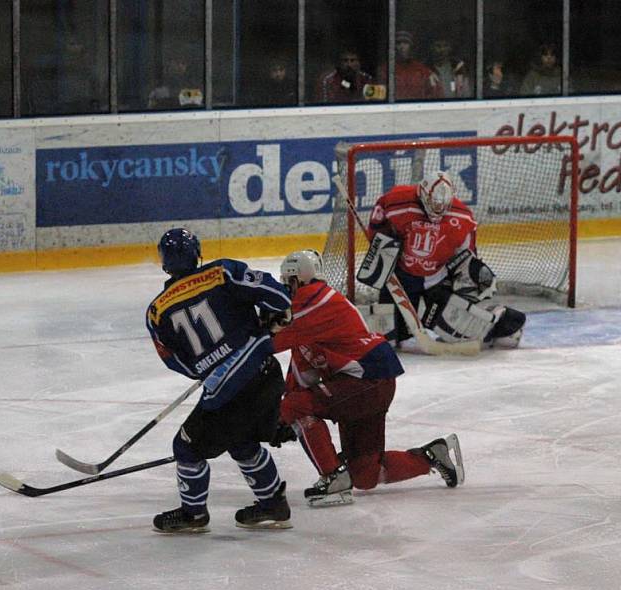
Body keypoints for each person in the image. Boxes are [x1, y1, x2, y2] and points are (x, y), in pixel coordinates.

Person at [270, 249, 464, 506]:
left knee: (293, 405)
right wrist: (285, 418)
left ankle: (333, 479)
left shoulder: (312, 299)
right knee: (365, 475)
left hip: (366, 381)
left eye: (288, 281)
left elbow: (267, 343)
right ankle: (431, 456)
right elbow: (299, 375)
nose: (286, 288)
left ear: (299, 279)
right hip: (368, 383)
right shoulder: (309, 316)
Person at [147, 228, 293, 533]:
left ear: (164, 262)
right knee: (241, 440)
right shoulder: (222, 272)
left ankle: (193, 515)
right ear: (198, 252)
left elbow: (176, 361)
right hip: (266, 374)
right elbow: (278, 296)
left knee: (186, 448)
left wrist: (206, 368)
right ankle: (272, 505)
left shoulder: (157, 310)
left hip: (227, 393)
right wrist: (274, 316)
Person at [366, 171, 526, 351]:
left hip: (437, 281)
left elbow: (467, 259)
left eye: (443, 205)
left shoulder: (463, 218)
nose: (439, 210)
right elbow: (378, 223)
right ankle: (404, 328)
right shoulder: (397, 201)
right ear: (423, 194)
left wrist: (465, 284)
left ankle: (498, 315)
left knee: (469, 333)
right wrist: (384, 249)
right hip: (400, 278)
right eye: (434, 204)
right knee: (387, 342)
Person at [379, 31, 440, 100]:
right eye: (398, 43)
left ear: (411, 46)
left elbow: (435, 95)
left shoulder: (423, 70)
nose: (402, 46)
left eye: (405, 43)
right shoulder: (385, 70)